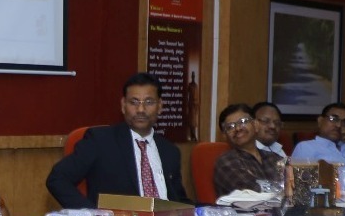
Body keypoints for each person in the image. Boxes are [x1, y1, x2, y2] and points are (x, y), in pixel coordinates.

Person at [47, 72, 189, 208]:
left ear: (160, 106)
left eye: (149, 102)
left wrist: (203, 210)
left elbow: (180, 202)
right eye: (134, 102)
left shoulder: (170, 151)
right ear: (123, 105)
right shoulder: (100, 141)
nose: (141, 109)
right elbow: (58, 178)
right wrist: (91, 214)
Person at [289, 103, 345, 189]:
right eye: (333, 119)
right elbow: (299, 187)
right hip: (332, 200)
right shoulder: (306, 147)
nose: (338, 125)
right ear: (320, 121)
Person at [212, 103, 283, 197]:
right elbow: (254, 192)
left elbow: (296, 187)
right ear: (225, 136)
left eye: (243, 121)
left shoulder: (274, 158)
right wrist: (284, 188)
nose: (237, 128)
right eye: (230, 127)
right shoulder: (226, 162)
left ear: (256, 125)